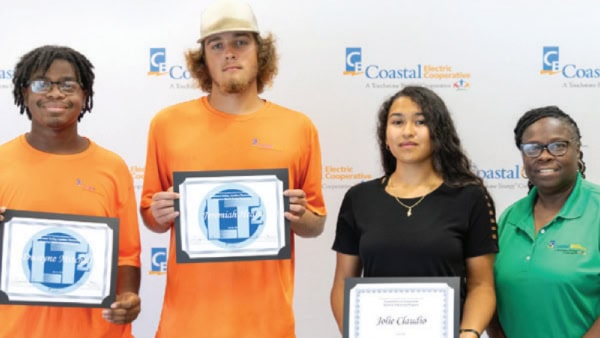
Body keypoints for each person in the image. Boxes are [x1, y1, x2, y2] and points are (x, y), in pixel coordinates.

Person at [139, 0, 326, 337]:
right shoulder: (167, 124)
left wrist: (302, 216)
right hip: (186, 325)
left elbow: (316, 224)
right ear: (203, 59)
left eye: (241, 41)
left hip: (268, 325)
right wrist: (159, 213)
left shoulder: (298, 127)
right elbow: (151, 219)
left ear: (260, 52)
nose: (229, 53)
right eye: (216, 44)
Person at [330, 86, 498, 338]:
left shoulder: (469, 197)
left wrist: (469, 334)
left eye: (421, 121)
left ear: (438, 132)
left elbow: (482, 285)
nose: (407, 131)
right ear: (385, 135)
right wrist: (353, 333)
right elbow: (343, 282)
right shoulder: (359, 198)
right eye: (397, 122)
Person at [0, 45, 141, 337]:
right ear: (24, 94)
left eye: (67, 84)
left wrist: (128, 297)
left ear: (84, 95)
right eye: (41, 84)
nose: (54, 93)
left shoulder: (112, 167)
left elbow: (127, 254)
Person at [487, 106, 600, 338]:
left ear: (577, 150)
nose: (545, 155)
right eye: (533, 148)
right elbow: (488, 293)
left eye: (558, 146)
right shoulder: (510, 218)